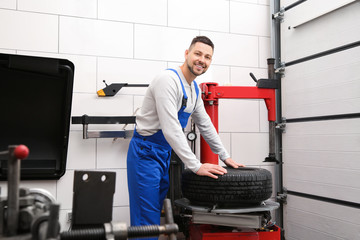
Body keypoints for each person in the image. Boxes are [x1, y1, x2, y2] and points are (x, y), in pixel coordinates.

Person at [126, 36, 244, 234]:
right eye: (198, 54)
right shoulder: (168, 80)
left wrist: (225, 155)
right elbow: (171, 128)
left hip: (163, 153)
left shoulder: (194, 90)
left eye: (207, 57)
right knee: (145, 219)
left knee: (154, 212)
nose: (202, 60)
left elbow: (205, 124)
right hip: (145, 154)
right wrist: (196, 166)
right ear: (187, 54)